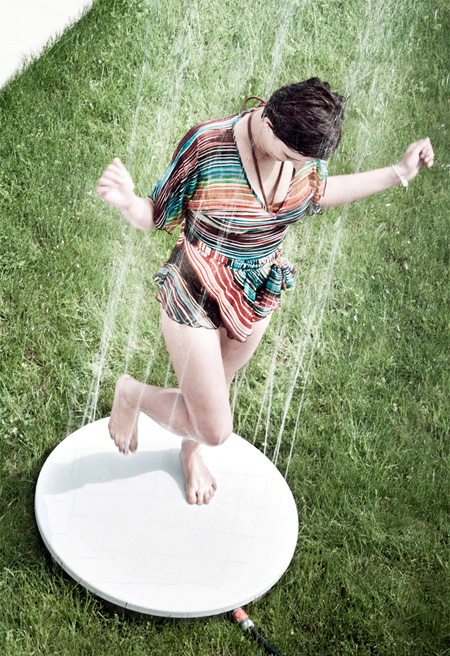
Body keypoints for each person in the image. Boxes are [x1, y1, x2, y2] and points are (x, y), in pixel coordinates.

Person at [95, 78, 434, 506]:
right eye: (294, 159)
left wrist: (399, 173)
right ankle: (131, 393)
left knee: (215, 390)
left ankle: (189, 451)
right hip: (196, 289)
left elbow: (322, 191)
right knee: (216, 427)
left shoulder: (303, 159)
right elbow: (154, 214)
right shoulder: (209, 146)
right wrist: (127, 201)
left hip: (255, 292)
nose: (298, 170)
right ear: (271, 124)